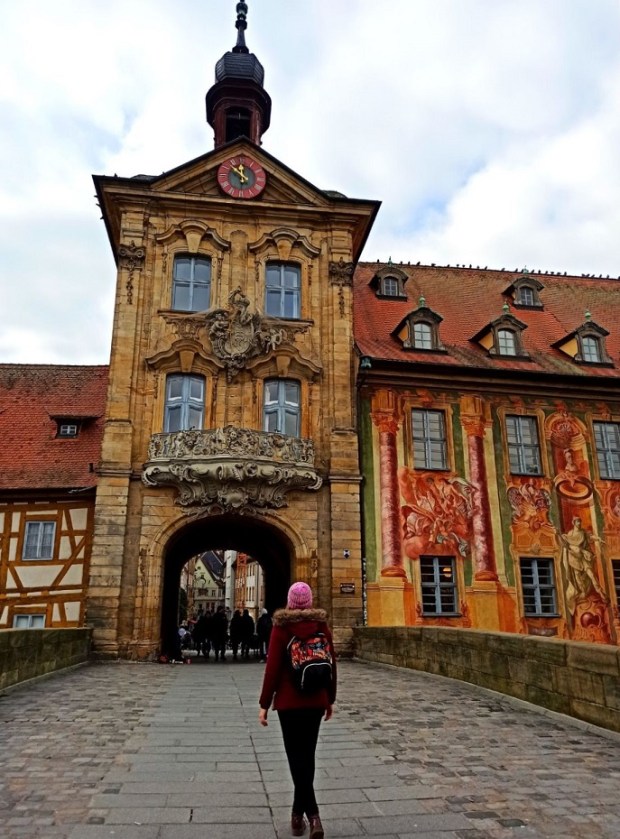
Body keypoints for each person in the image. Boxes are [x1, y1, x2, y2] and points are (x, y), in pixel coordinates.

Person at [258, 581, 336, 839]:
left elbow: (272, 669)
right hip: (315, 701)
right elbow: (332, 663)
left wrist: (264, 704)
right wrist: (330, 699)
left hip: (289, 704)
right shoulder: (321, 625)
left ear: (290, 602)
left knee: (295, 758)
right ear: (310, 601)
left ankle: (311, 815)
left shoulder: (281, 627)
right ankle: (298, 815)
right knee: (307, 757)